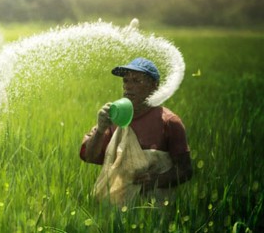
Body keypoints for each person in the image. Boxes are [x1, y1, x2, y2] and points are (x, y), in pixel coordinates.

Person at [80, 57, 192, 201]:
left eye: (137, 81)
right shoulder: (114, 118)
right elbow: (90, 156)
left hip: (155, 210)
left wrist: (155, 180)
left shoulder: (169, 122)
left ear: (154, 86)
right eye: (126, 81)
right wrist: (101, 130)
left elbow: (185, 170)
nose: (128, 86)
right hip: (116, 211)